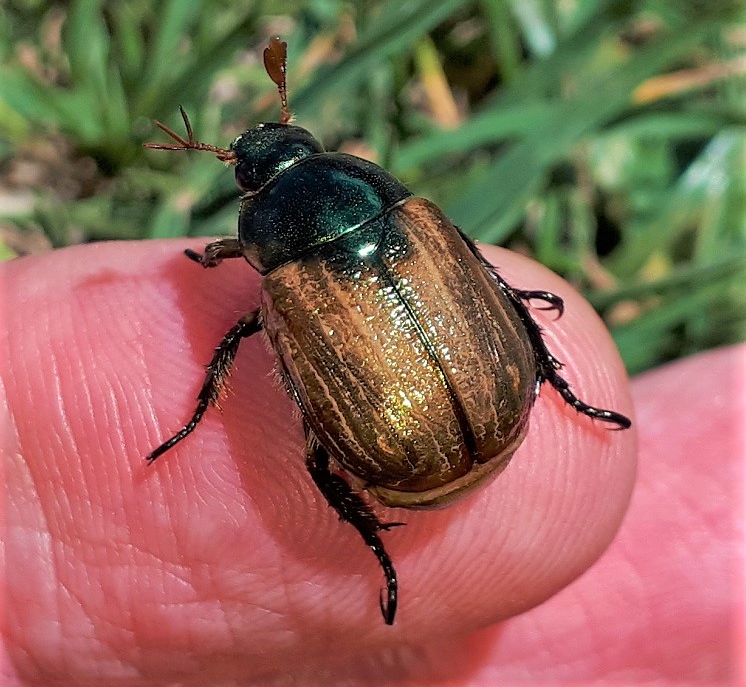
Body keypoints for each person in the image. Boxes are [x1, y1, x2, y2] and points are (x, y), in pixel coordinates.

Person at [1, 240, 739, 684]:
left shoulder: (281, 280)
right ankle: (551, 401)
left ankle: (390, 540)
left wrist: (199, 398)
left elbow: (228, 328)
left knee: (312, 445)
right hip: (457, 420)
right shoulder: (403, 229)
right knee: (488, 305)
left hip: (433, 434)